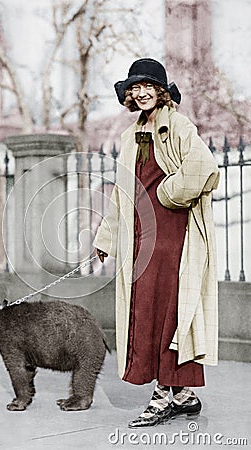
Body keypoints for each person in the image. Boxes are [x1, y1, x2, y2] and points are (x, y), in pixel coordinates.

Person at [94, 58, 220, 427]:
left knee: (169, 311)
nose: (140, 92)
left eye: (147, 85)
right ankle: (182, 392)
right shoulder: (129, 136)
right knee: (146, 311)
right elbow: (123, 194)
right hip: (139, 237)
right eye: (134, 87)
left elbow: (204, 169)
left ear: (161, 90)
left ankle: (164, 395)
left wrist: (168, 192)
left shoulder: (179, 126)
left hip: (172, 235)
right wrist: (106, 237)